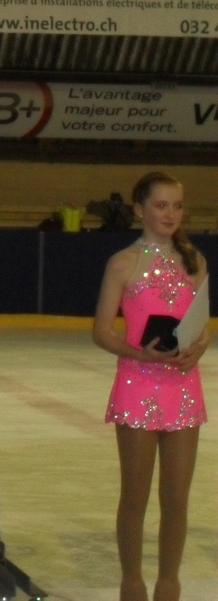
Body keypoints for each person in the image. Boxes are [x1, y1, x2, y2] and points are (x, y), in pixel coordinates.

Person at [92, 172, 208, 601]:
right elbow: (102, 332)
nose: (170, 214)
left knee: (176, 498)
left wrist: (197, 348)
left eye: (177, 206)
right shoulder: (122, 263)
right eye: (161, 206)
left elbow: (202, 327)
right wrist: (141, 354)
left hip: (183, 387)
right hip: (138, 385)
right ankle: (132, 582)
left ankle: (169, 583)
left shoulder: (194, 261)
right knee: (135, 496)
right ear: (140, 210)